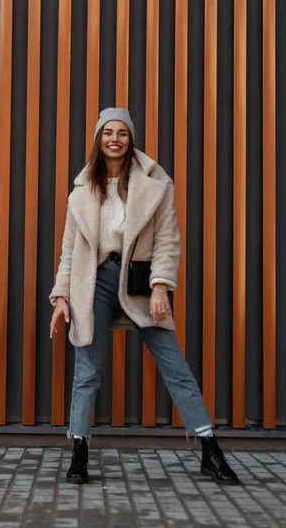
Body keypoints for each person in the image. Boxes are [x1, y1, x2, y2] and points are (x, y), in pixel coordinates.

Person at [49, 108, 239, 486]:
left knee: (175, 366)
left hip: (138, 282)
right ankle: (79, 451)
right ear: (98, 139)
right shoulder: (83, 188)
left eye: (121, 132)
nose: (114, 139)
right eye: (107, 132)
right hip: (95, 283)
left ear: (130, 138)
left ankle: (209, 449)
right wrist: (61, 296)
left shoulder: (155, 184)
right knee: (87, 371)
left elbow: (168, 240)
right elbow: (70, 248)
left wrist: (160, 285)